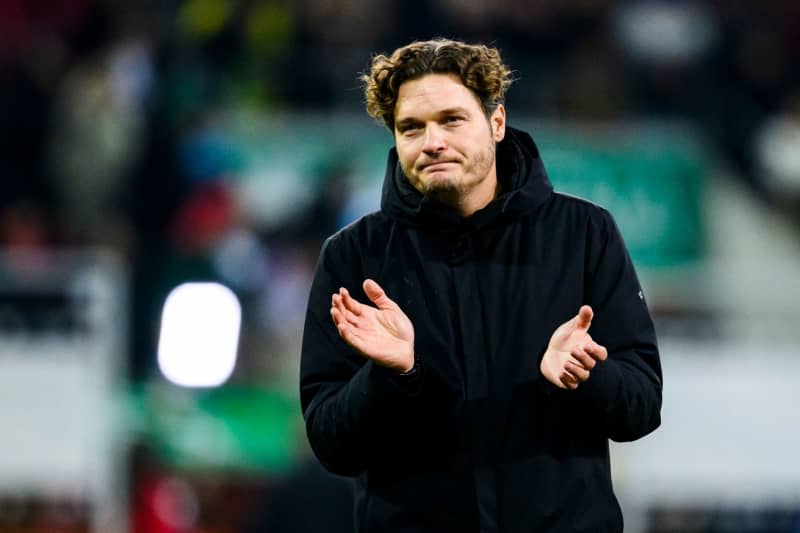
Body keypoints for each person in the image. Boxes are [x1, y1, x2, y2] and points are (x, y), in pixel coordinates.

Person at [299, 38, 662, 532]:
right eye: (411, 128)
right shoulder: (351, 257)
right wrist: (392, 377)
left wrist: (585, 374)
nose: (432, 142)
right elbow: (330, 444)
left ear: (496, 123)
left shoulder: (584, 234)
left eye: (452, 119)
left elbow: (641, 408)